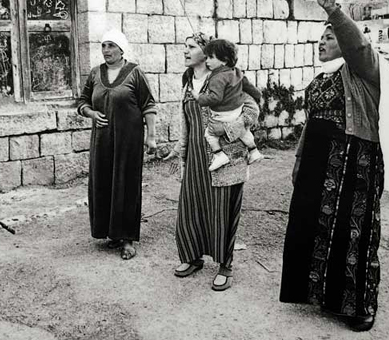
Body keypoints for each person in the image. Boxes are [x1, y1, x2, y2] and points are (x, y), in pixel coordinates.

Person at [279, 0, 389, 332]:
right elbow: (310, 126)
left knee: (354, 230)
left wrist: (334, 12)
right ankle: (321, 294)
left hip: (354, 162)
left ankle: (359, 305)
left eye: (330, 38)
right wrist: (300, 163)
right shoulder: (318, 79)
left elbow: (359, 47)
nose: (323, 42)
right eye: (320, 39)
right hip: (319, 164)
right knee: (314, 226)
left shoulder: (363, 69)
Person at [165, 32, 260, 292]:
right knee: (191, 208)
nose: (185, 51)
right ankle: (193, 256)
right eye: (185, 46)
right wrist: (179, 149)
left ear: (207, 55)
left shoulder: (229, 77)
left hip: (226, 159)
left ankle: (225, 266)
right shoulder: (188, 81)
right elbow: (186, 120)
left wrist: (229, 130)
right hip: (196, 159)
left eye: (191, 47)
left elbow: (253, 109)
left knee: (222, 212)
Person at [77, 29, 157, 260]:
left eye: (111, 46)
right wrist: (91, 113)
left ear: (121, 49)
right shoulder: (95, 73)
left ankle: (127, 239)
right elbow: (82, 102)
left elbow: (148, 105)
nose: (106, 50)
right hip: (101, 140)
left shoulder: (134, 73)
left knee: (126, 185)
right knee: (103, 183)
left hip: (128, 141)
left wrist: (150, 137)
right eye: (103, 46)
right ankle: (111, 233)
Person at [197, 39, 263, 171]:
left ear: (224, 60)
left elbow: (215, 98)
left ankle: (219, 155)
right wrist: (258, 96)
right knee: (244, 132)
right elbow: (250, 87)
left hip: (223, 116)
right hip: (236, 112)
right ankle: (254, 151)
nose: (207, 61)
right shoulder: (236, 72)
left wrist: (200, 99)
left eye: (210, 57)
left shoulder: (217, 77)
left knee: (209, 134)